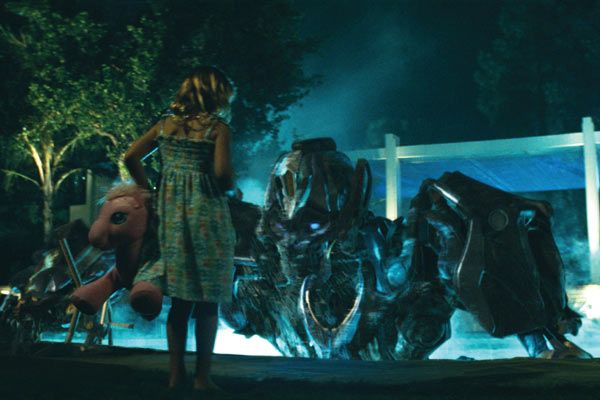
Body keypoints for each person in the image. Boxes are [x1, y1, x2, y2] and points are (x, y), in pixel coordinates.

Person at [124, 66, 237, 394]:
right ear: (216, 94)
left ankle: (175, 376)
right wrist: (231, 186)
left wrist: (148, 189)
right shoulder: (218, 129)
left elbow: (130, 156)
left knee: (181, 300)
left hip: (171, 213)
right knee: (208, 300)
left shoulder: (164, 125)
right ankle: (202, 378)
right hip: (207, 213)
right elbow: (222, 175)